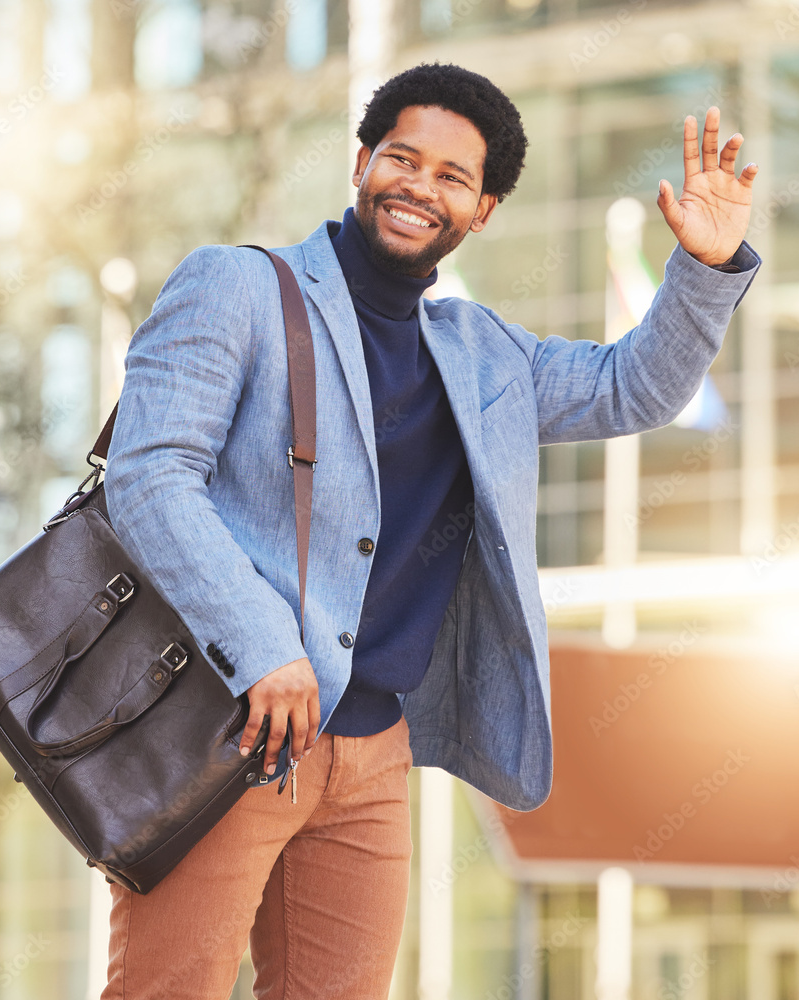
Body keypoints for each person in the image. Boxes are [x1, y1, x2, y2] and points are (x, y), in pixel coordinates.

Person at [100, 63, 759, 999]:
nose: (419, 185)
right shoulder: (238, 287)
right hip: (228, 726)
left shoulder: (481, 351)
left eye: (454, 177)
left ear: (482, 211)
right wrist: (262, 646)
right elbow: (149, 476)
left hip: (371, 756)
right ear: (362, 161)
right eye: (401, 158)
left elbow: (632, 386)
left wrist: (704, 266)